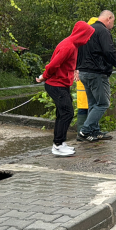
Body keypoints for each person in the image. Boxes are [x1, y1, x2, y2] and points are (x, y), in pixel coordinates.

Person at [36, 21, 94, 156]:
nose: (89, 38)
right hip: (56, 85)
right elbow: (53, 65)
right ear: (82, 34)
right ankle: (57, 145)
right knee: (67, 113)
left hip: (61, 84)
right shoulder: (68, 46)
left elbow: (66, 63)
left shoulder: (72, 45)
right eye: (88, 35)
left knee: (62, 113)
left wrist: (73, 71)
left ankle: (60, 143)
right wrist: (44, 76)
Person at [76, 10, 116, 142]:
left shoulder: (87, 30)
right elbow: (109, 51)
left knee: (93, 103)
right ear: (109, 18)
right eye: (113, 22)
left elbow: (78, 49)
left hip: (84, 72)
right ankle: (85, 130)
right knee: (103, 103)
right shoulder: (103, 31)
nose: (112, 25)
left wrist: (77, 68)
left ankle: (94, 131)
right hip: (96, 73)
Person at [75, 17, 99, 133]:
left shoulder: (80, 40)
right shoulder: (95, 40)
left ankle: (82, 131)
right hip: (91, 76)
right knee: (93, 106)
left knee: (84, 106)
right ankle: (87, 131)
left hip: (80, 77)